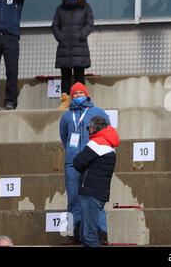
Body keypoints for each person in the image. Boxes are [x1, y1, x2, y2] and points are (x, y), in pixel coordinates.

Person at [59, 82, 110, 245]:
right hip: (72, 163)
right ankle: (74, 234)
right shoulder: (66, 116)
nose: (78, 96)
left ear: (86, 94)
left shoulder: (97, 112)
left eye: (81, 93)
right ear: (71, 97)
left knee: (95, 199)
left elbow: (106, 133)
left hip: (93, 162)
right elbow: (64, 137)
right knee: (73, 198)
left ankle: (101, 234)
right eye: (75, 94)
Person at [73, 116, 119, 247]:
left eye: (89, 128)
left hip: (91, 193)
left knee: (89, 236)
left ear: (93, 128)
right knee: (87, 235)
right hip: (98, 193)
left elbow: (77, 163)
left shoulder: (97, 143)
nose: (88, 131)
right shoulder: (108, 144)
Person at [52, 0, 94, 110]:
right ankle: (65, 101)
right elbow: (55, 25)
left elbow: (89, 23)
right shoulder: (60, 8)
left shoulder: (86, 7)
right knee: (65, 75)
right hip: (64, 47)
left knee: (79, 74)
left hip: (79, 47)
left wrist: (82, 35)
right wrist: (60, 37)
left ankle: (80, 101)